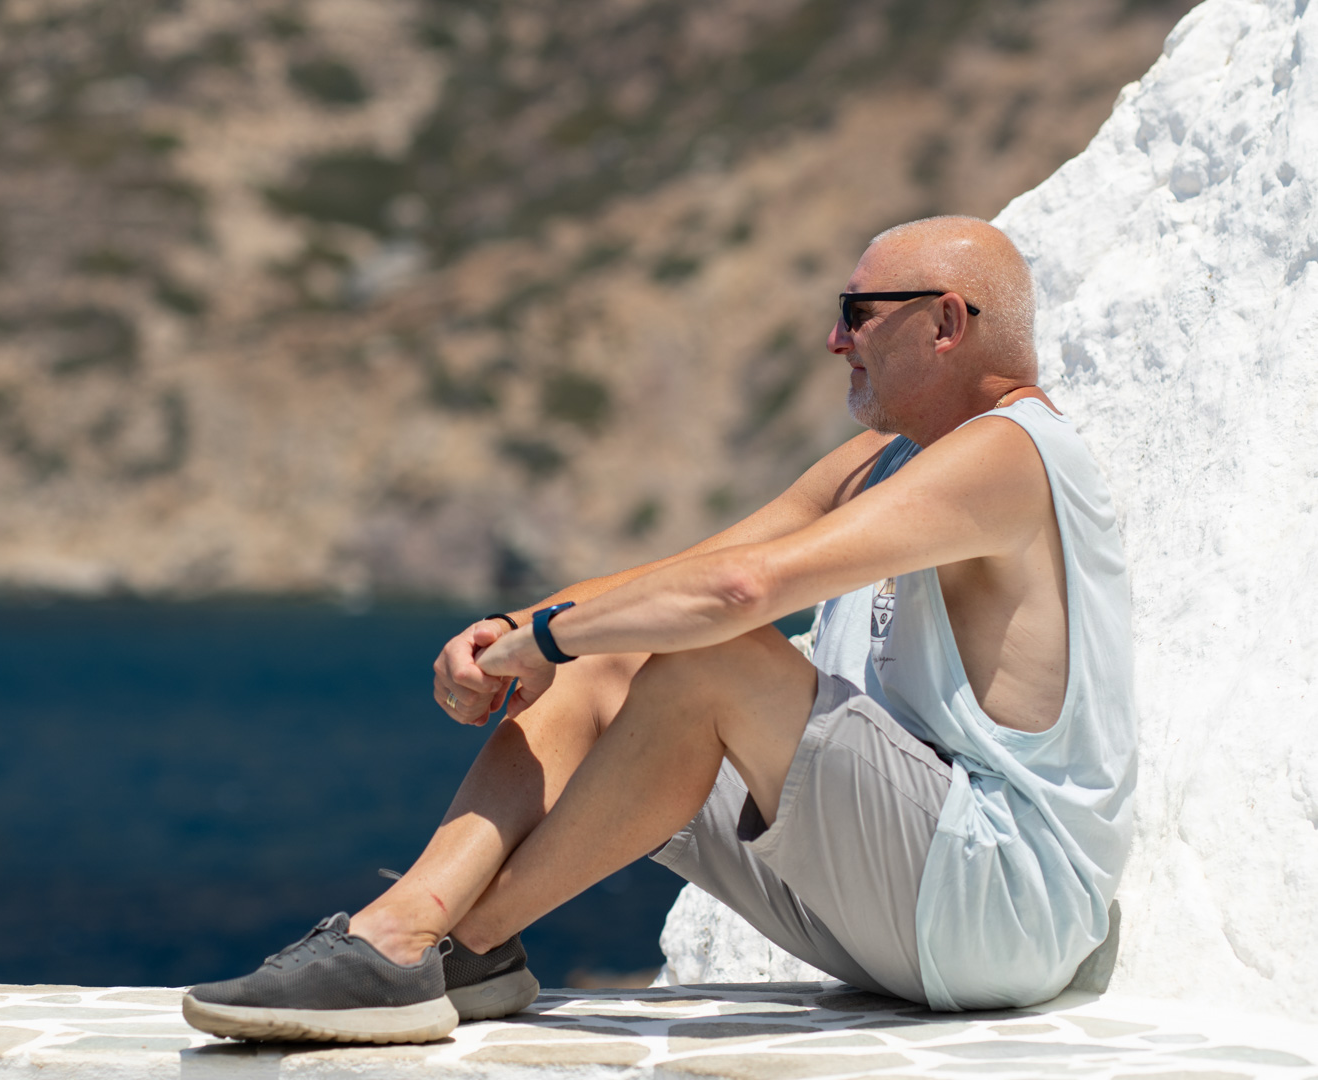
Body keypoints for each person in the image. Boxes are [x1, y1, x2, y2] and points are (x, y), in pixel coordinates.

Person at [181, 216, 1137, 1044]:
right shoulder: (884, 462)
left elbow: (739, 590)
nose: (834, 339)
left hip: (1000, 907)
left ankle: (447, 945)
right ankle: (411, 933)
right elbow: (693, 569)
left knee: (706, 656)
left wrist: (546, 639)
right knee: (603, 662)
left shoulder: (1011, 453)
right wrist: (525, 627)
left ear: (946, 322)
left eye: (857, 312)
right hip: (904, 902)